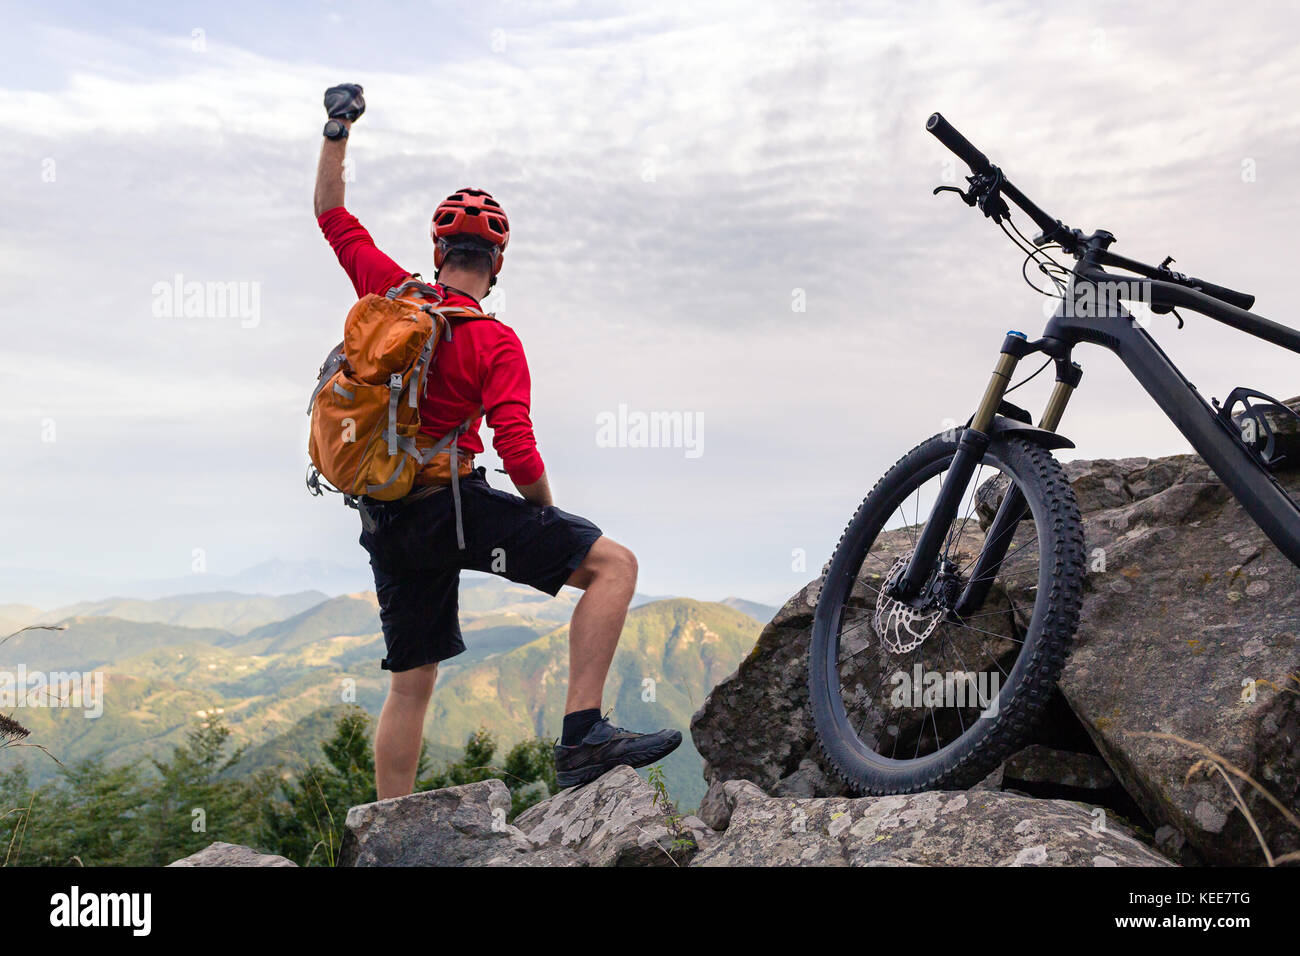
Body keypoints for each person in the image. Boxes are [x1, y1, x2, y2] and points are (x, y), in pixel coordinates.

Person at [312, 83, 680, 798]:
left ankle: (392, 824)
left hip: (385, 515)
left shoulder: (392, 295)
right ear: (498, 264)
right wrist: (543, 512)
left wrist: (336, 132)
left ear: (439, 249)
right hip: (452, 506)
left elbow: (331, 214)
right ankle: (582, 737)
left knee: (411, 683)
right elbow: (518, 449)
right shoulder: (493, 340)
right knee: (614, 567)